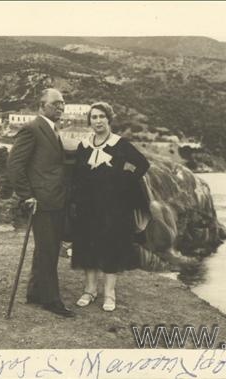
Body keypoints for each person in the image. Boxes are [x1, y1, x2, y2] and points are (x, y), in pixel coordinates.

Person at [71, 102, 150, 311]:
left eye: (101, 117)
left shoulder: (120, 144)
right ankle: (89, 290)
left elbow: (142, 164)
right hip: (88, 206)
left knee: (110, 248)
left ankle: (109, 293)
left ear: (109, 119)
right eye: (94, 117)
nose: (97, 121)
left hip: (114, 208)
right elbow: (77, 174)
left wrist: (123, 178)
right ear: (90, 121)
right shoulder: (84, 145)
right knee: (88, 247)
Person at [6, 88, 74, 317]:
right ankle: (51, 300)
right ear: (42, 105)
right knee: (47, 250)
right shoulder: (32, 128)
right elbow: (15, 165)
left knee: (48, 248)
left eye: (63, 103)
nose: (61, 107)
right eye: (56, 104)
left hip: (55, 199)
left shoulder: (53, 129)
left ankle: (35, 292)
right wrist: (27, 195)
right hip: (41, 201)